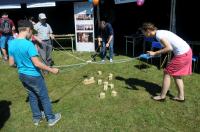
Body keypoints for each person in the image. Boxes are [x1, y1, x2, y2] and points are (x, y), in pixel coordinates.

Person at [8, 20, 61, 126]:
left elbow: (11, 63)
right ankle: (51, 118)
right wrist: (52, 70)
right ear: (28, 30)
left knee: (32, 95)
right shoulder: (28, 44)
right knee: (44, 96)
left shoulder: (11, 43)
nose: (32, 34)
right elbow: (37, 64)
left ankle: (36, 118)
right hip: (34, 76)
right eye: (32, 31)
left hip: (22, 75)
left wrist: (21, 64)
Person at [141, 22, 192, 102]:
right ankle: (181, 97)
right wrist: (155, 54)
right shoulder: (160, 32)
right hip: (187, 51)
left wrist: (155, 53)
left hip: (182, 54)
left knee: (167, 73)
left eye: (143, 32)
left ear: (148, 31)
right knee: (176, 75)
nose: (143, 34)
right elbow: (167, 48)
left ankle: (162, 96)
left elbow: (169, 48)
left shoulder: (158, 35)